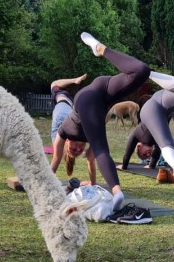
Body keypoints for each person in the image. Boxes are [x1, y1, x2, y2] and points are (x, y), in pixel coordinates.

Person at [50, 33, 150, 211]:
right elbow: (92, 160)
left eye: (74, 149)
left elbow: (55, 160)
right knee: (142, 71)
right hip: (102, 94)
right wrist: (94, 185)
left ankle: (100, 49)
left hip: (87, 97)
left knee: (100, 148)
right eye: (78, 151)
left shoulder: (63, 132)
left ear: (66, 144)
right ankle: (101, 49)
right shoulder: (90, 134)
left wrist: (44, 186)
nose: (78, 149)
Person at [120, 71, 174, 178]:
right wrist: (151, 165)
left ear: (138, 146)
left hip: (151, 109)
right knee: (165, 142)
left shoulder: (139, 133)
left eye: (144, 154)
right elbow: (157, 151)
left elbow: (129, 148)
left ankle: (143, 71)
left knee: (165, 142)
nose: (148, 154)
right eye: (147, 156)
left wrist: (124, 165)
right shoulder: (155, 138)